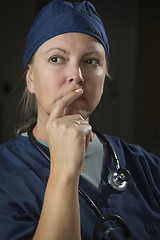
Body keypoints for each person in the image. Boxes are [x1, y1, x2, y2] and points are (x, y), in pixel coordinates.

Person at [0, 0, 160, 239]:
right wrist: (64, 173)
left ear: (104, 79)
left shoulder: (147, 167)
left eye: (91, 61)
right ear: (31, 78)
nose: (76, 76)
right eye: (57, 59)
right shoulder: (5, 174)